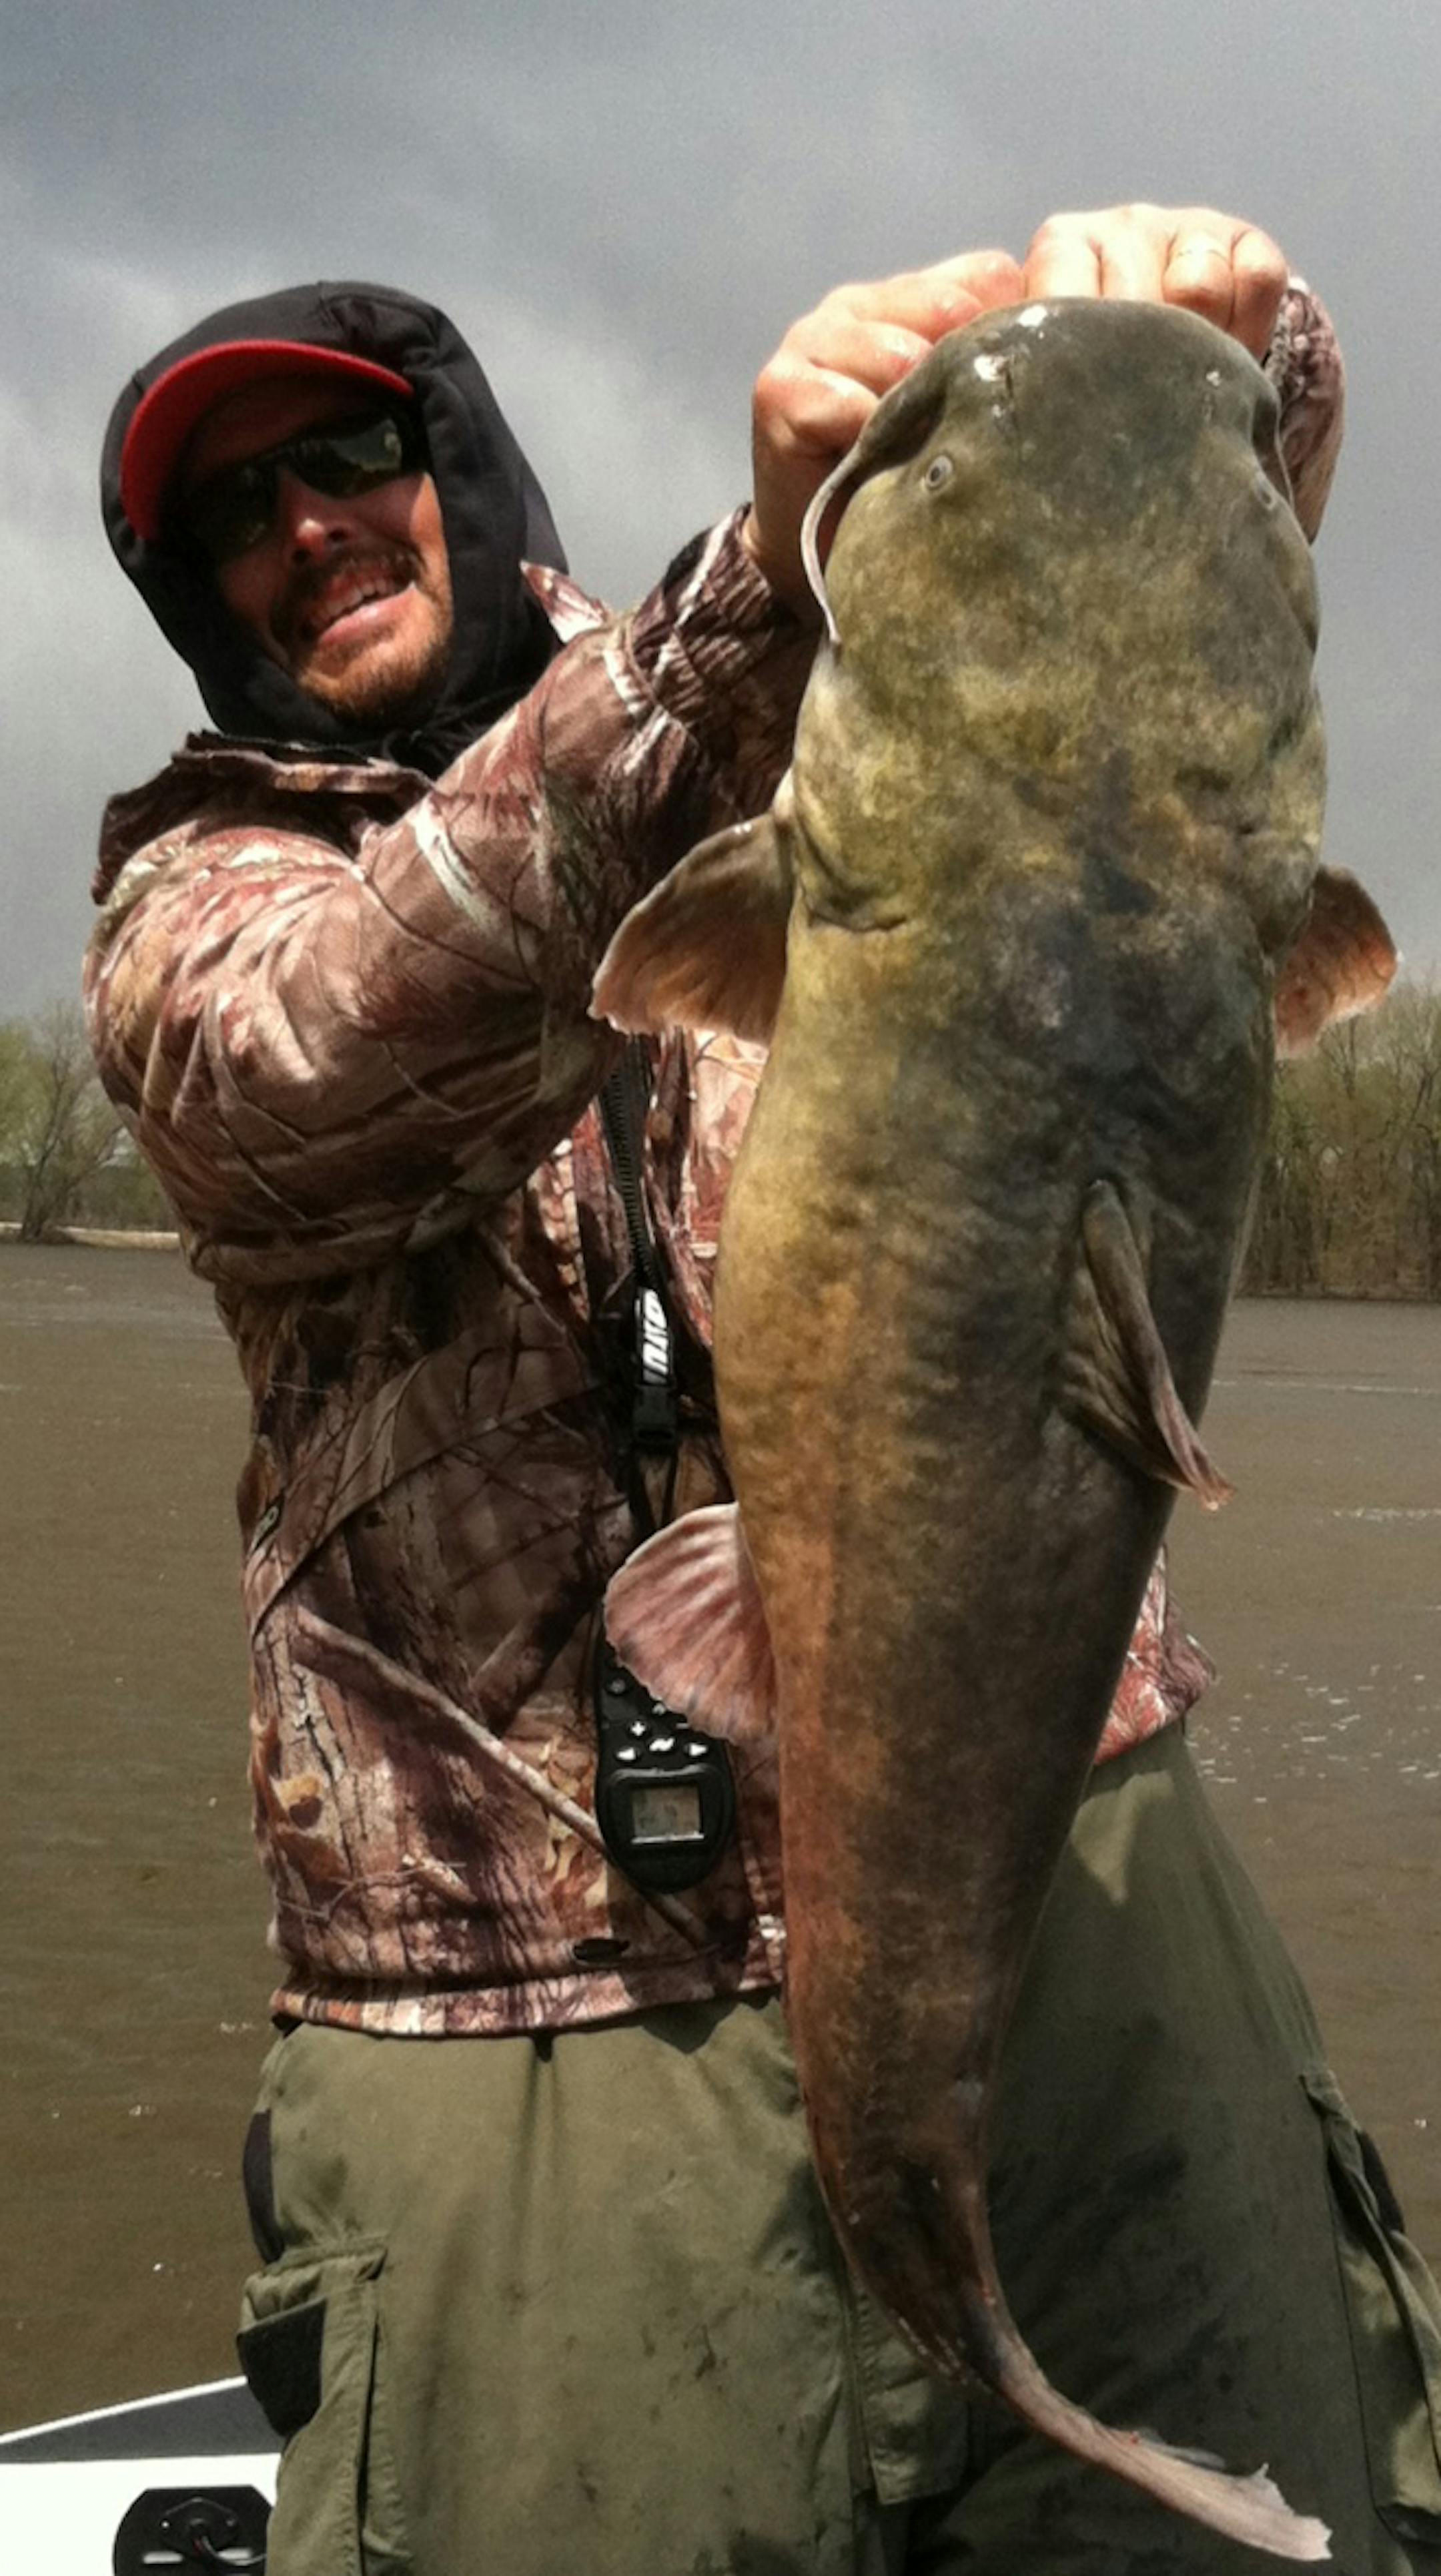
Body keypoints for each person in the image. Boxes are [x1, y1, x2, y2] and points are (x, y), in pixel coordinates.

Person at [89, 208, 1441, 2576]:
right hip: (536, 2025)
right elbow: (316, 1064)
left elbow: (1173, 580)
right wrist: (747, 613)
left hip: (1082, 1853)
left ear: (468, 473)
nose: (301, 527)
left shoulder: (846, 675)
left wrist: (1213, 312)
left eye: (346, 456)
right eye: (231, 515)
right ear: (202, 603)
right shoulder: (196, 899)